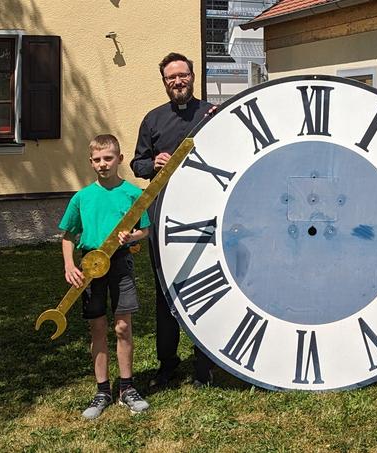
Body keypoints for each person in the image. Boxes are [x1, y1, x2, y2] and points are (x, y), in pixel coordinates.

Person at [131, 52, 217, 388]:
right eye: (171, 78)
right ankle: (167, 364)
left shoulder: (212, 114)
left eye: (182, 75)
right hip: (163, 216)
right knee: (164, 289)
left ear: (192, 77)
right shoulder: (153, 119)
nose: (177, 81)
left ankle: (204, 364)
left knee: (205, 285)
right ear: (164, 82)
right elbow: (137, 164)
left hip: (205, 211)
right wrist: (152, 163)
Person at [59, 134, 152, 419]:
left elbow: (145, 230)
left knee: (123, 327)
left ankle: (127, 388)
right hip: (90, 266)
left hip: (120, 264)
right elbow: (68, 236)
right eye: (97, 159)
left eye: (108, 158)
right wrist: (69, 266)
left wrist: (132, 236)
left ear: (119, 159)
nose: (103, 164)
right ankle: (102, 391)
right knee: (97, 328)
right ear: (91, 162)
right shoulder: (82, 197)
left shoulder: (133, 194)